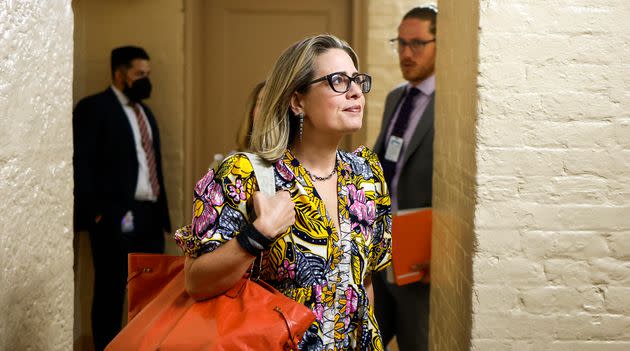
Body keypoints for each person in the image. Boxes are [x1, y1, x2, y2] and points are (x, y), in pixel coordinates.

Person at [174, 34, 392, 350]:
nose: (356, 91)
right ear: (297, 101)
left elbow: (364, 283)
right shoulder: (245, 174)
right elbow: (196, 282)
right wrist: (257, 235)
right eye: (338, 81)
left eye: (357, 80)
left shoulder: (367, 176)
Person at [73, 45, 171, 351]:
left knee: (152, 288)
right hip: (118, 215)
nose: (145, 79)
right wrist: (96, 213)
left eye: (148, 74)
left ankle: (143, 345)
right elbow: (82, 162)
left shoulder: (145, 112)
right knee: (111, 289)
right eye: (138, 73)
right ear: (119, 73)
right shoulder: (94, 108)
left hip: (150, 213)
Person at [372, 5, 437, 351]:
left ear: (440, 44)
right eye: (400, 43)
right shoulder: (397, 96)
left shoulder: (452, 102)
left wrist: (440, 250)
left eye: (417, 44)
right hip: (382, 250)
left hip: (420, 258)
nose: (406, 53)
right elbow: (384, 162)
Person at [235, 81, 266, 151]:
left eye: (273, 104)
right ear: (252, 112)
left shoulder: (291, 160)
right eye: (261, 103)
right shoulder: (236, 159)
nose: (267, 111)